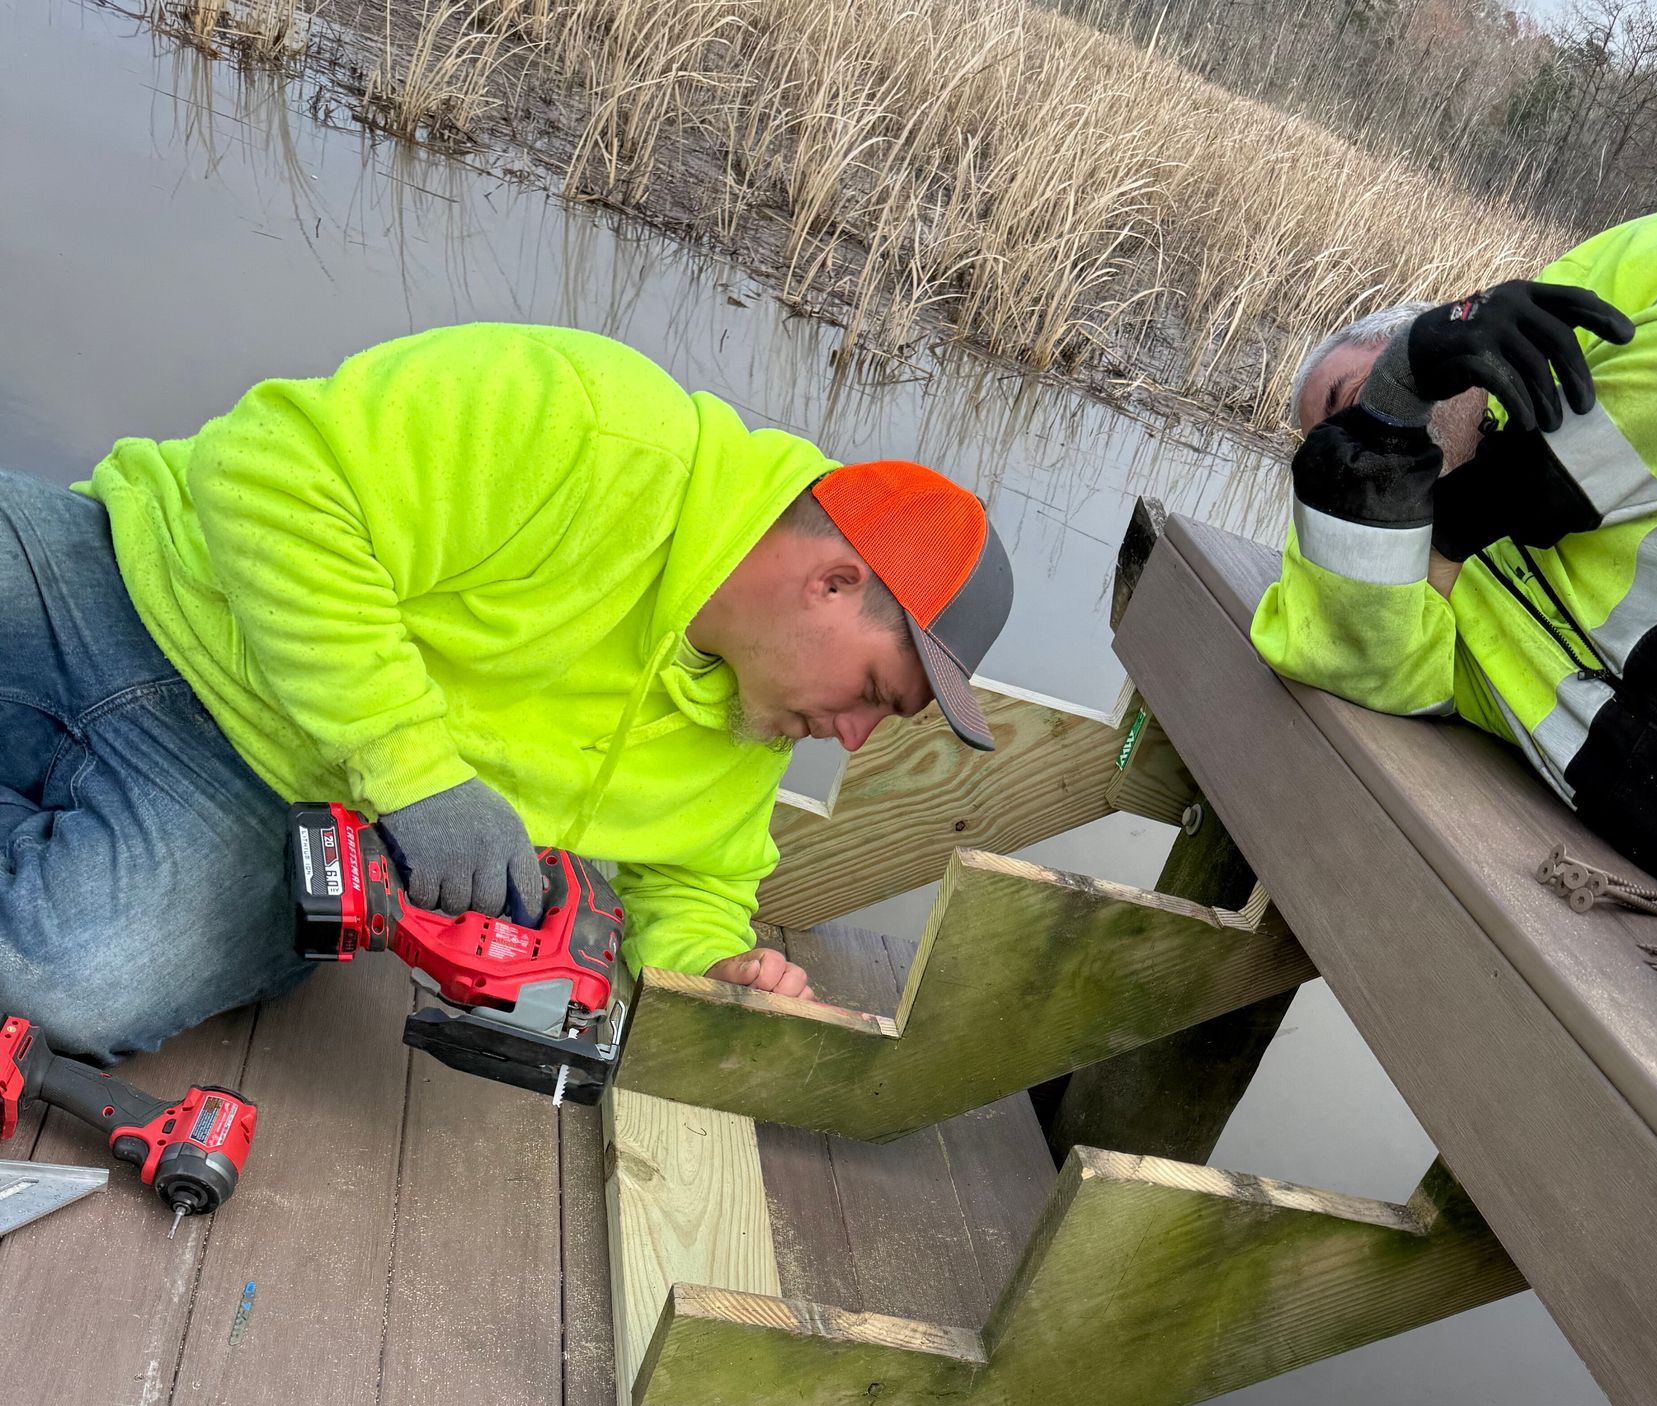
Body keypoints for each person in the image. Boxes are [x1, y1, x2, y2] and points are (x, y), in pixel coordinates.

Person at [0, 324, 1013, 1060]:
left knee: (80, 983)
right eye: (877, 692)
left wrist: (712, 979)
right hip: (130, 580)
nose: (853, 736)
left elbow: (700, 884)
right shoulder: (599, 424)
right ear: (833, 582)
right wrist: (417, 772)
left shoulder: (756, 720)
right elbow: (263, 470)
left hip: (264, 813)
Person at [1258, 207, 1657, 909]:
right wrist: (1386, 418)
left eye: (1353, 396)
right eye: (1349, 441)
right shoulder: (1428, 575)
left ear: (1428, 332)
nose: (1359, 437)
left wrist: (1475, 508)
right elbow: (1345, 657)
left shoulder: (1589, 290)